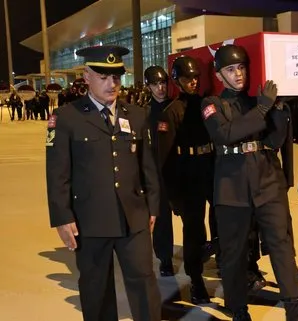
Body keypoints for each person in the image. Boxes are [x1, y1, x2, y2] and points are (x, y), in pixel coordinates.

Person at [201, 44, 298, 321]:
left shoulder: (257, 99)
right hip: (232, 186)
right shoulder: (211, 104)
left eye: (242, 67)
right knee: (234, 251)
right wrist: (264, 106)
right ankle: (238, 307)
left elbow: (274, 140)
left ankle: (293, 304)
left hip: (266, 179)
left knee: (280, 241)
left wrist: (278, 109)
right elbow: (226, 134)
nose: (238, 74)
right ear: (220, 76)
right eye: (231, 69)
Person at [45, 45, 161, 321]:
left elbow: (148, 167)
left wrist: (153, 207)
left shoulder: (136, 115)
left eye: (117, 77)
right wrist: (62, 217)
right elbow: (57, 173)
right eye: (104, 77)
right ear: (87, 76)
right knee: (96, 288)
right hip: (90, 219)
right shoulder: (66, 118)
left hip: (133, 216)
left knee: (144, 282)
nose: (113, 84)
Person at [157, 56, 216, 304]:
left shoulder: (207, 105)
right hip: (188, 174)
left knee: (224, 223)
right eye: (186, 79)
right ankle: (196, 281)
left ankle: (217, 257)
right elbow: (165, 159)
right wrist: (173, 196)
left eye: (194, 78)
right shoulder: (171, 112)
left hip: (211, 169)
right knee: (193, 230)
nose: (192, 83)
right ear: (177, 81)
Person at [143, 65, 175, 277]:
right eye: (156, 84)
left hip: (178, 168)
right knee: (162, 218)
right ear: (148, 86)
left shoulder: (176, 107)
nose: (161, 88)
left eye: (163, 83)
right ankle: (165, 258)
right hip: (157, 171)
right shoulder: (145, 113)